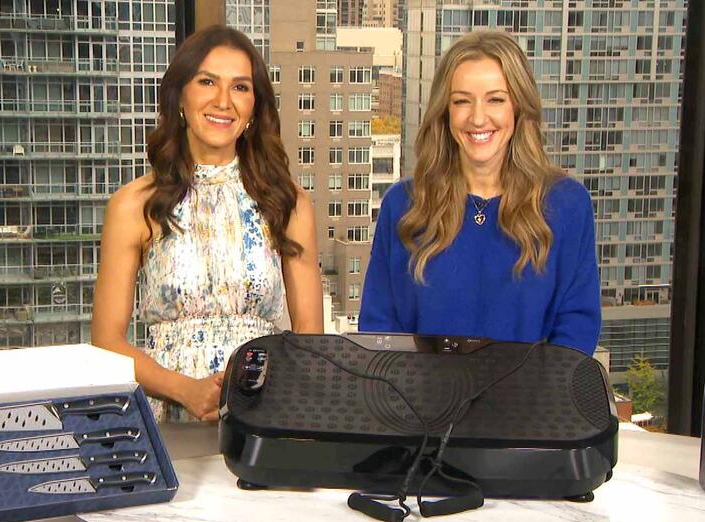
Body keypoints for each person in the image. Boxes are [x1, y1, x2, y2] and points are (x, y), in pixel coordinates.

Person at [91, 25, 323, 422]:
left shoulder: (288, 203)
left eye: (240, 87)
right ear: (181, 95)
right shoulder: (134, 205)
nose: (223, 101)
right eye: (207, 82)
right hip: (168, 416)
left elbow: (310, 339)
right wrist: (186, 390)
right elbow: (106, 343)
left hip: (263, 414)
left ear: (254, 105)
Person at [359, 30, 601, 355]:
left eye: (495, 99)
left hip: (529, 402)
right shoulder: (403, 205)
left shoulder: (567, 205)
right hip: (420, 403)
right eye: (461, 101)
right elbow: (379, 332)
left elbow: (576, 331)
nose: (477, 117)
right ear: (445, 111)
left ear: (518, 107)